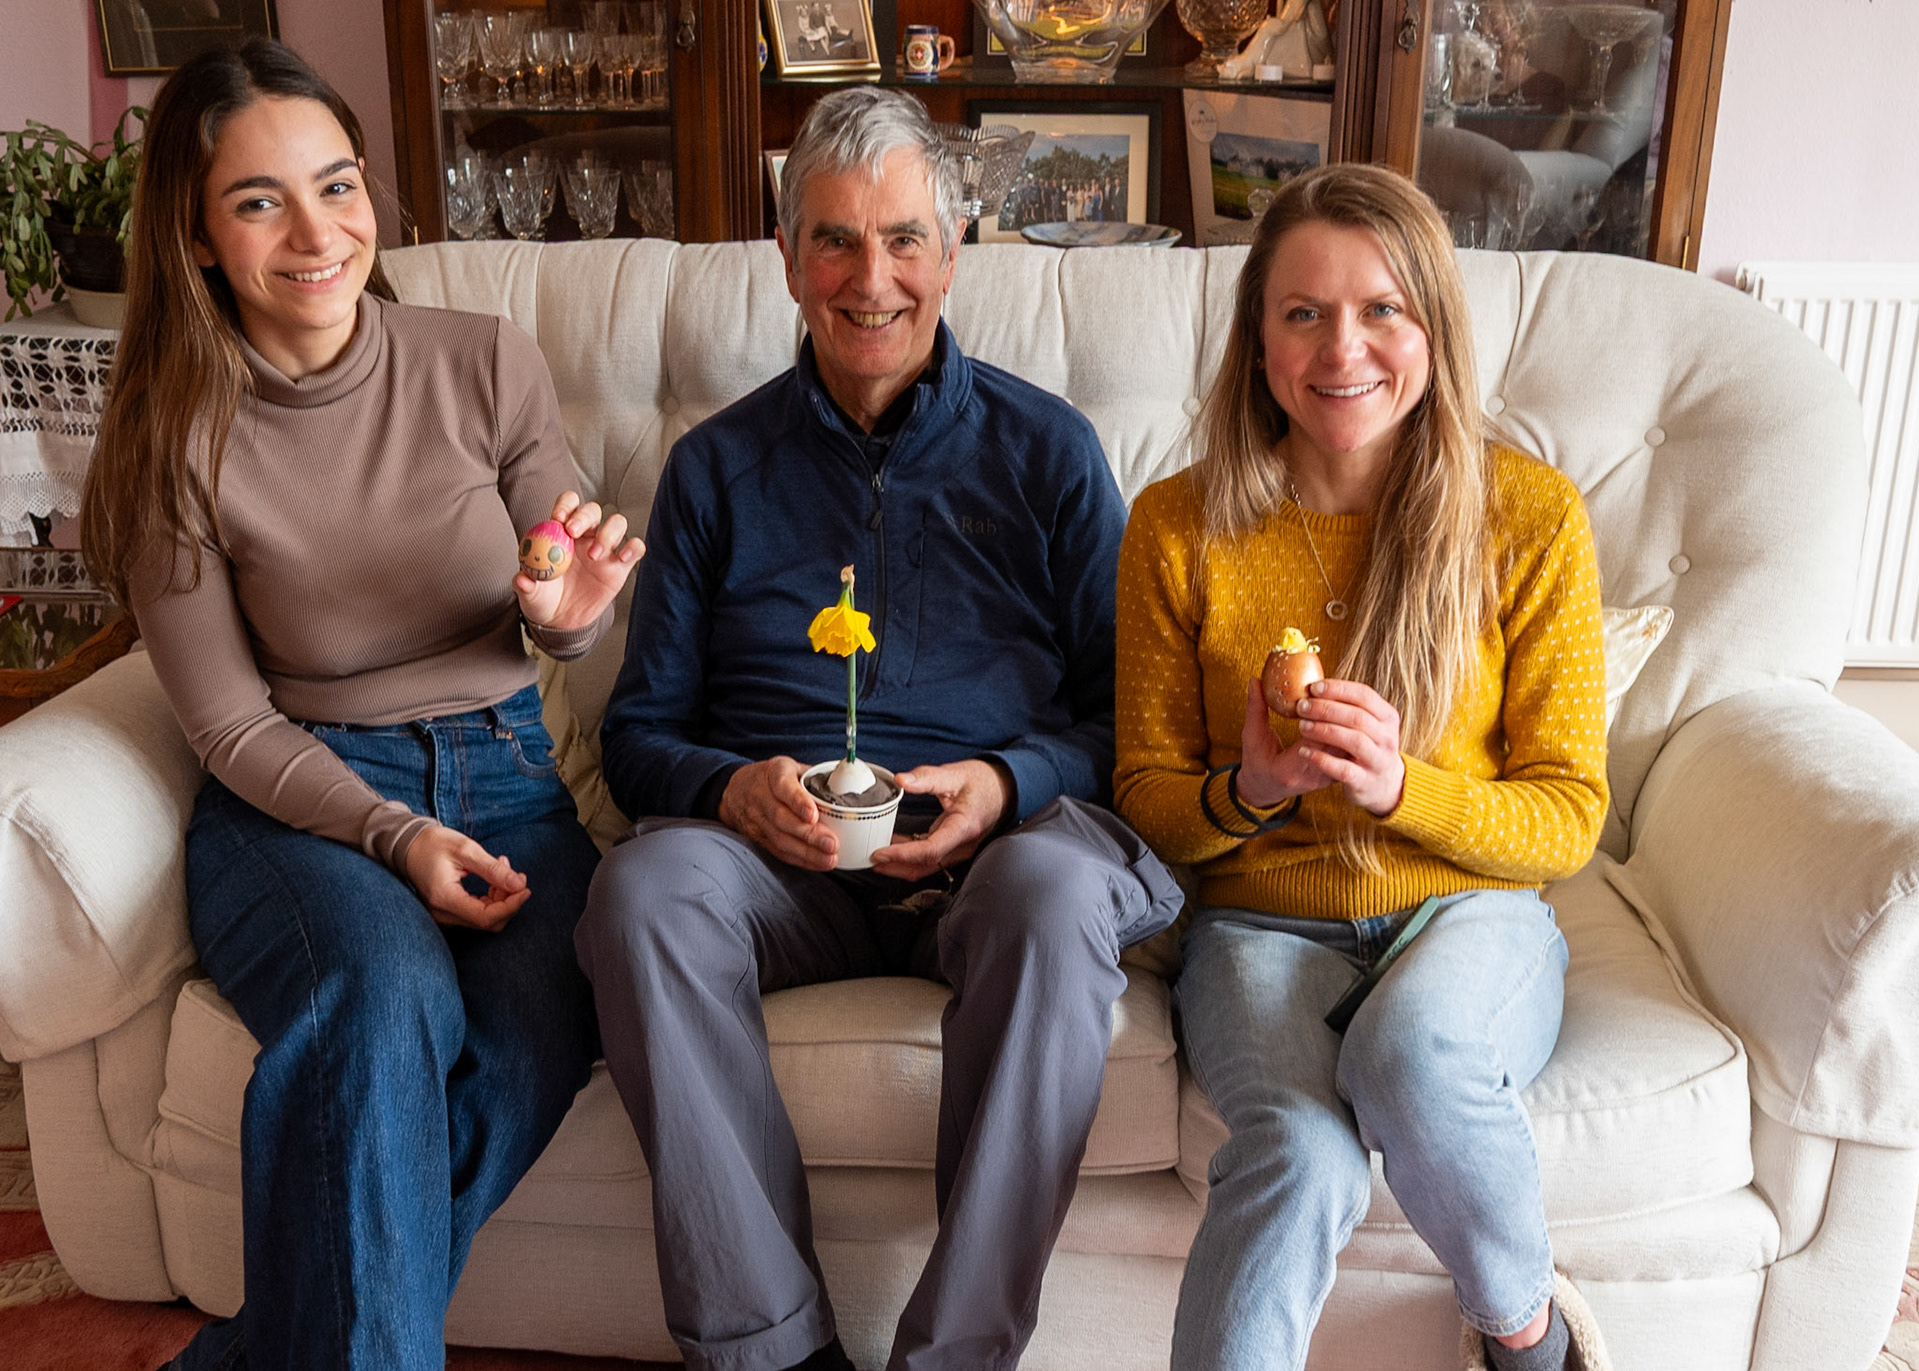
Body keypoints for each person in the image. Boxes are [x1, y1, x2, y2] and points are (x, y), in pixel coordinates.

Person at [574, 87, 1182, 1371]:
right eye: (837, 241)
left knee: (1061, 898)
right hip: (776, 867)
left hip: (991, 855)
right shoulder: (715, 470)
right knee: (641, 895)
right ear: (788, 258)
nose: (873, 278)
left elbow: (1128, 722)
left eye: (905, 239)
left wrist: (1007, 785)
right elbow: (638, 737)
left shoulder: (1050, 453)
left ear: (953, 253)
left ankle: (954, 1359)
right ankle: (773, 1350)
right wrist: (733, 788)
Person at [78, 39, 642, 1371]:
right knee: (387, 1000)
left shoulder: (483, 361)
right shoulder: (176, 436)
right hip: (300, 806)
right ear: (201, 237)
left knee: (521, 1043)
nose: (317, 231)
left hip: (511, 779)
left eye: (337, 185)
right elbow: (226, 723)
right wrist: (393, 834)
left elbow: (561, 578)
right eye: (259, 201)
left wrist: (568, 616)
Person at [1113, 163, 1613, 1371]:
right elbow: (1143, 795)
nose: (1344, 348)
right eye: (1304, 313)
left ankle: (1529, 1338)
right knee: (1298, 1147)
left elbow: (1568, 817)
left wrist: (1405, 791)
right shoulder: (1177, 526)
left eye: (1383, 309)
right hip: (1257, 931)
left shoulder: (1529, 518)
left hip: (1469, 915)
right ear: (1259, 339)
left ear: (1433, 329)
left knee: (1409, 1054)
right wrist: (1253, 793)